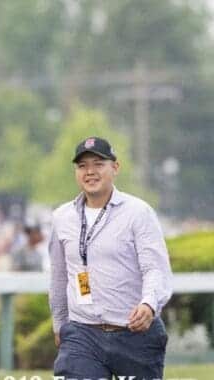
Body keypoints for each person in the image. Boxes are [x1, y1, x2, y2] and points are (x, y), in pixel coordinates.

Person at [48, 137, 173, 379]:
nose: (90, 172)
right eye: (82, 166)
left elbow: (155, 268)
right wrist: (60, 324)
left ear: (115, 168)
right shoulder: (62, 217)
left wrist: (149, 303)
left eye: (98, 164)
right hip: (82, 333)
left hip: (135, 334)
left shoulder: (139, 213)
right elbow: (59, 276)